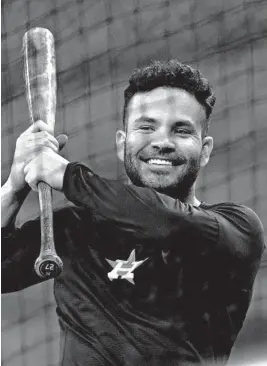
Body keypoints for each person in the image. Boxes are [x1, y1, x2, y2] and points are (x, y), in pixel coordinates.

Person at [2, 60, 265, 366]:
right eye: (146, 127)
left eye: (181, 130)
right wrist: (14, 186)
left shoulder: (236, 228)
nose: (162, 142)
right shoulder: (78, 228)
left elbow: (165, 221)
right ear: (121, 143)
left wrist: (67, 175)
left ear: (204, 151)